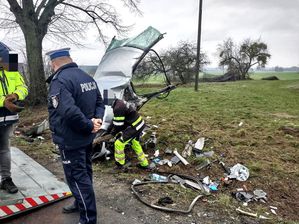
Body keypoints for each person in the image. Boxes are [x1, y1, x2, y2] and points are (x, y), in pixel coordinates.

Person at [46, 48, 105, 224]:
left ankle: (88, 219)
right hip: (86, 137)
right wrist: (97, 121)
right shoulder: (87, 77)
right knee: (85, 172)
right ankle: (81, 204)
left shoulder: (59, 81)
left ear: (53, 64)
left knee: (77, 177)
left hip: (71, 139)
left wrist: (90, 125)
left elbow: (69, 111)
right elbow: (100, 103)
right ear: (70, 59)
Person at [0, 42, 28, 194]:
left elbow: (23, 87)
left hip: (7, 119)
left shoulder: (11, 69)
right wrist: (3, 101)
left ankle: (6, 179)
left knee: (4, 149)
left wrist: (16, 95)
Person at [108, 99, 149, 169]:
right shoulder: (120, 102)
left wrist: (113, 134)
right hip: (139, 124)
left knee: (119, 143)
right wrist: (108, 130)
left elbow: (118, 126)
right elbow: (115, 120)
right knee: (135, 143)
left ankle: (120, 164)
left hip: (134, 127)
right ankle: (144, 164)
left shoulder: (118, 108)